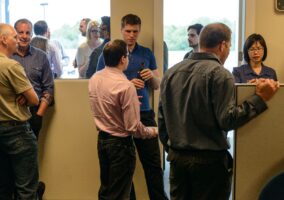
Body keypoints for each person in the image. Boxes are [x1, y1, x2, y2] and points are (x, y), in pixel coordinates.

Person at [158, 22, 279, 200]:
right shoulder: (220, 74)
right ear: (222, 45)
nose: (228, 51)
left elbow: (162, 121)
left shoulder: (170, 73)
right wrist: (259, 99)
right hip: (210, 165)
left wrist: (174, 151)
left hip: (177, 161)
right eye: (229, 46)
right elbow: (227, 120)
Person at [97, 14, 168, 200]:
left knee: (153, 164)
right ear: (121, 30)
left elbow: (157, 85)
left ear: (139, 31)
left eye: (135, 31)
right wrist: (129, 84)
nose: (131, 35)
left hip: (143, 112)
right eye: (128, 31)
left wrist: (150, 77)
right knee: (122, 168)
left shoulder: (146, 53)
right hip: (118, 117)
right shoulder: (109, 52)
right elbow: (102, 81)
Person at [89, 39, 158, 200]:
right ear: (122, 59)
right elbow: (133, 128)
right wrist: (153, 131)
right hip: (120, 146)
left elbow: (106, 107)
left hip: (103, 142)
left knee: (107, 190)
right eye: (127, 56)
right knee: (118, 195)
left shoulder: (95, 79)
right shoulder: (126, 87)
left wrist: (129, 104)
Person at [0, 23, 39, 199]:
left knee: (4, 184)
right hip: (17, 131)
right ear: (3, 40)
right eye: (14, 36)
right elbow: (34, 100)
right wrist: (23, 97)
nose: (18, 40)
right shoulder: (11, 66)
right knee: (26, 188)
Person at [12, 18, 55, 200]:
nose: (24, 36)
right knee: (11, 162)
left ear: (31, 34)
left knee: (29, 161)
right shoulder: (7, 56)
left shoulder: (41, 56)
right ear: (14, 34)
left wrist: (39, 115)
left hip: (34, 115)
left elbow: (49, 89)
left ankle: (32, 193)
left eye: (27, 32)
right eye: (20, 32)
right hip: (11, 115)